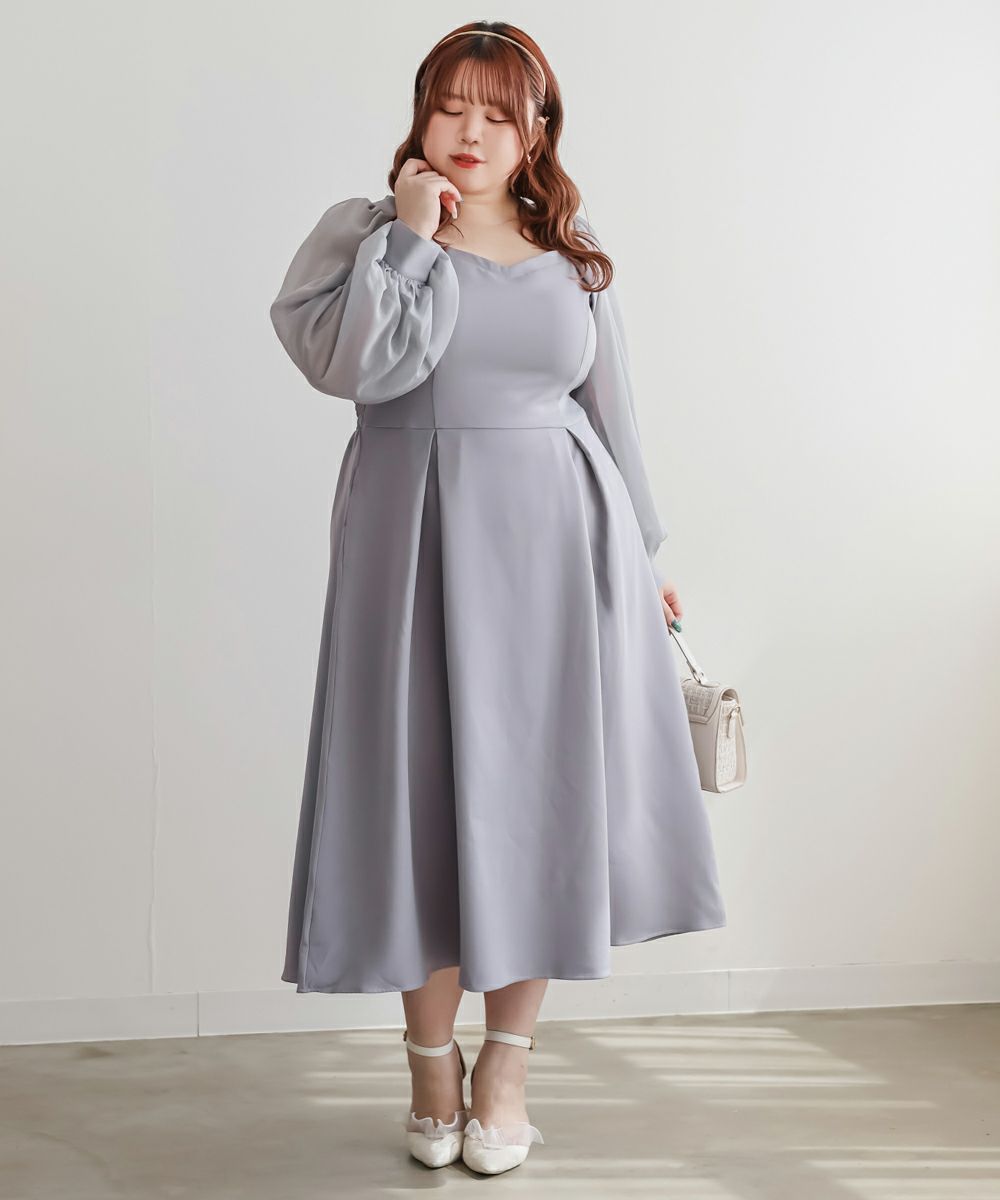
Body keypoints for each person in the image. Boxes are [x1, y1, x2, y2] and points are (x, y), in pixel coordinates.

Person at [268, 20, 726, 1176]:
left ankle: (506, 1072)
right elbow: (361, 368)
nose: (469, 131)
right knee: (415, 804)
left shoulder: (571, 258)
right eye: (449, 105)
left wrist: (647, 554)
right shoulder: (366, 237)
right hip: (410, 546)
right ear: (420, 116)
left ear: (535, 131)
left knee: (541, 808)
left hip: (562, 555)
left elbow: (610, 414)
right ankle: (431, 1069)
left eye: (496, 111)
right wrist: (411, 237)